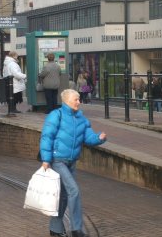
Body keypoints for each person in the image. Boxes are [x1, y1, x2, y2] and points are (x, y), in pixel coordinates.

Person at [39, 89, 107, 237]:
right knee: (74, 190)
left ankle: (55, 229)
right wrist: (46, 159)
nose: (79, 102)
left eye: (79, 99)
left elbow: (88, 138)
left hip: (71, 162)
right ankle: (76, 229)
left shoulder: (82, 119)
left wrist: (99, 138)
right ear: (66, 100)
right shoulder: (56, 115)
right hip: (57, 160)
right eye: (76, 99)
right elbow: (47, 137)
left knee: (63, 195)